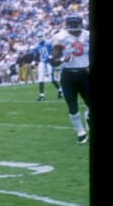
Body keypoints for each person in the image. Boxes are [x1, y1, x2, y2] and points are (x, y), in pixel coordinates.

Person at [51, 14, 90, 144]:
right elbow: (54, 62)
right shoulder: (60, 38)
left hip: (86, 74)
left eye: (77, 28)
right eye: (72, 28)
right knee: (72, 106)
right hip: (68, 76)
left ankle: (88, 116)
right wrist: (63, 59)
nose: (75, 31)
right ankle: (80, 131)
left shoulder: (87, 35)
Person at [31, 31, 62, 101]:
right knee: (40, 78)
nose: (40, 38)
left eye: (41, 36)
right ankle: (41, 95)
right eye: (39, 37)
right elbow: (36, 55)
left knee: (52, 80)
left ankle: (60, 90)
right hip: (42, 62)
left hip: (49, 62)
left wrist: (52, 56)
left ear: (44, 36)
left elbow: (55, 51)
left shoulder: (49, 43)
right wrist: (34, 62)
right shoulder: (37, 46)